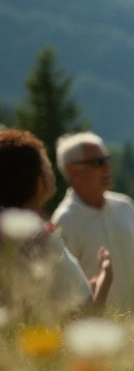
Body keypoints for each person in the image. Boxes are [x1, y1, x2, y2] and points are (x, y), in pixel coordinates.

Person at [52, 132, 134, 312]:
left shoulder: (125, 205)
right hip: (98, 332)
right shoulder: (64, 221)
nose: (107, 167)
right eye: (97, 162)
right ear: (73, 171)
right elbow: (63, 291)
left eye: (108, 159)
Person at [0, 129, 111, 320]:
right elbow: (85, 320)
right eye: (46, 166)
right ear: (38, 182)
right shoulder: (44, 246)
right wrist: (105, 280)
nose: (51, 171)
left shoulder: (9, 241)